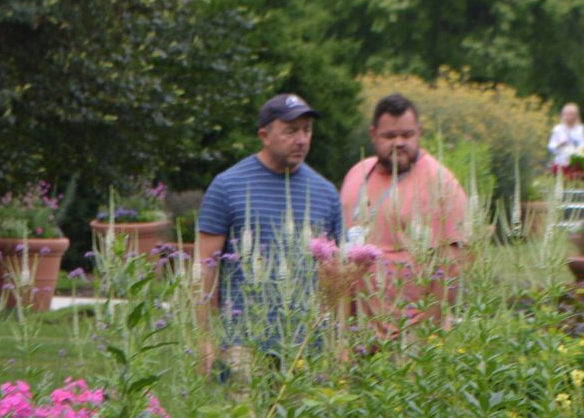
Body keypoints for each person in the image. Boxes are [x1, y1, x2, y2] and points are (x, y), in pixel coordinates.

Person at [195, 93, 344, 377]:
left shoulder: (325, 193)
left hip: (306, 346)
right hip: (243, 342)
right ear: (264, 135)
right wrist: (206, 340)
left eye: (306, 130)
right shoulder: (227, 186)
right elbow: (204, 269)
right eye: (291, 131)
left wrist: (338, 341)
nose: (301, 139)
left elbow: (336, 274)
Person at [339, 93, 471, 340]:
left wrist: (425, 331)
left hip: (409, 332)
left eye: (407, 135)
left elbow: (453, 262)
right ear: (373, 134)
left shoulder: (440, 181)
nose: (399, 143)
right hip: (357, 331)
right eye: (389, 136)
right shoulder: (357, 174)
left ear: (419, 132)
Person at [547, 103, 584, 169]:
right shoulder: (557, 129)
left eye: (571, 114)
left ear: (576, 116)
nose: (568, 117)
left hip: (576, 164)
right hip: (561, 163)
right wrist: (559, 145)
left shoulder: (580, 129)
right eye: (566, 114)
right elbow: (551, 146)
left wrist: (577, 152)